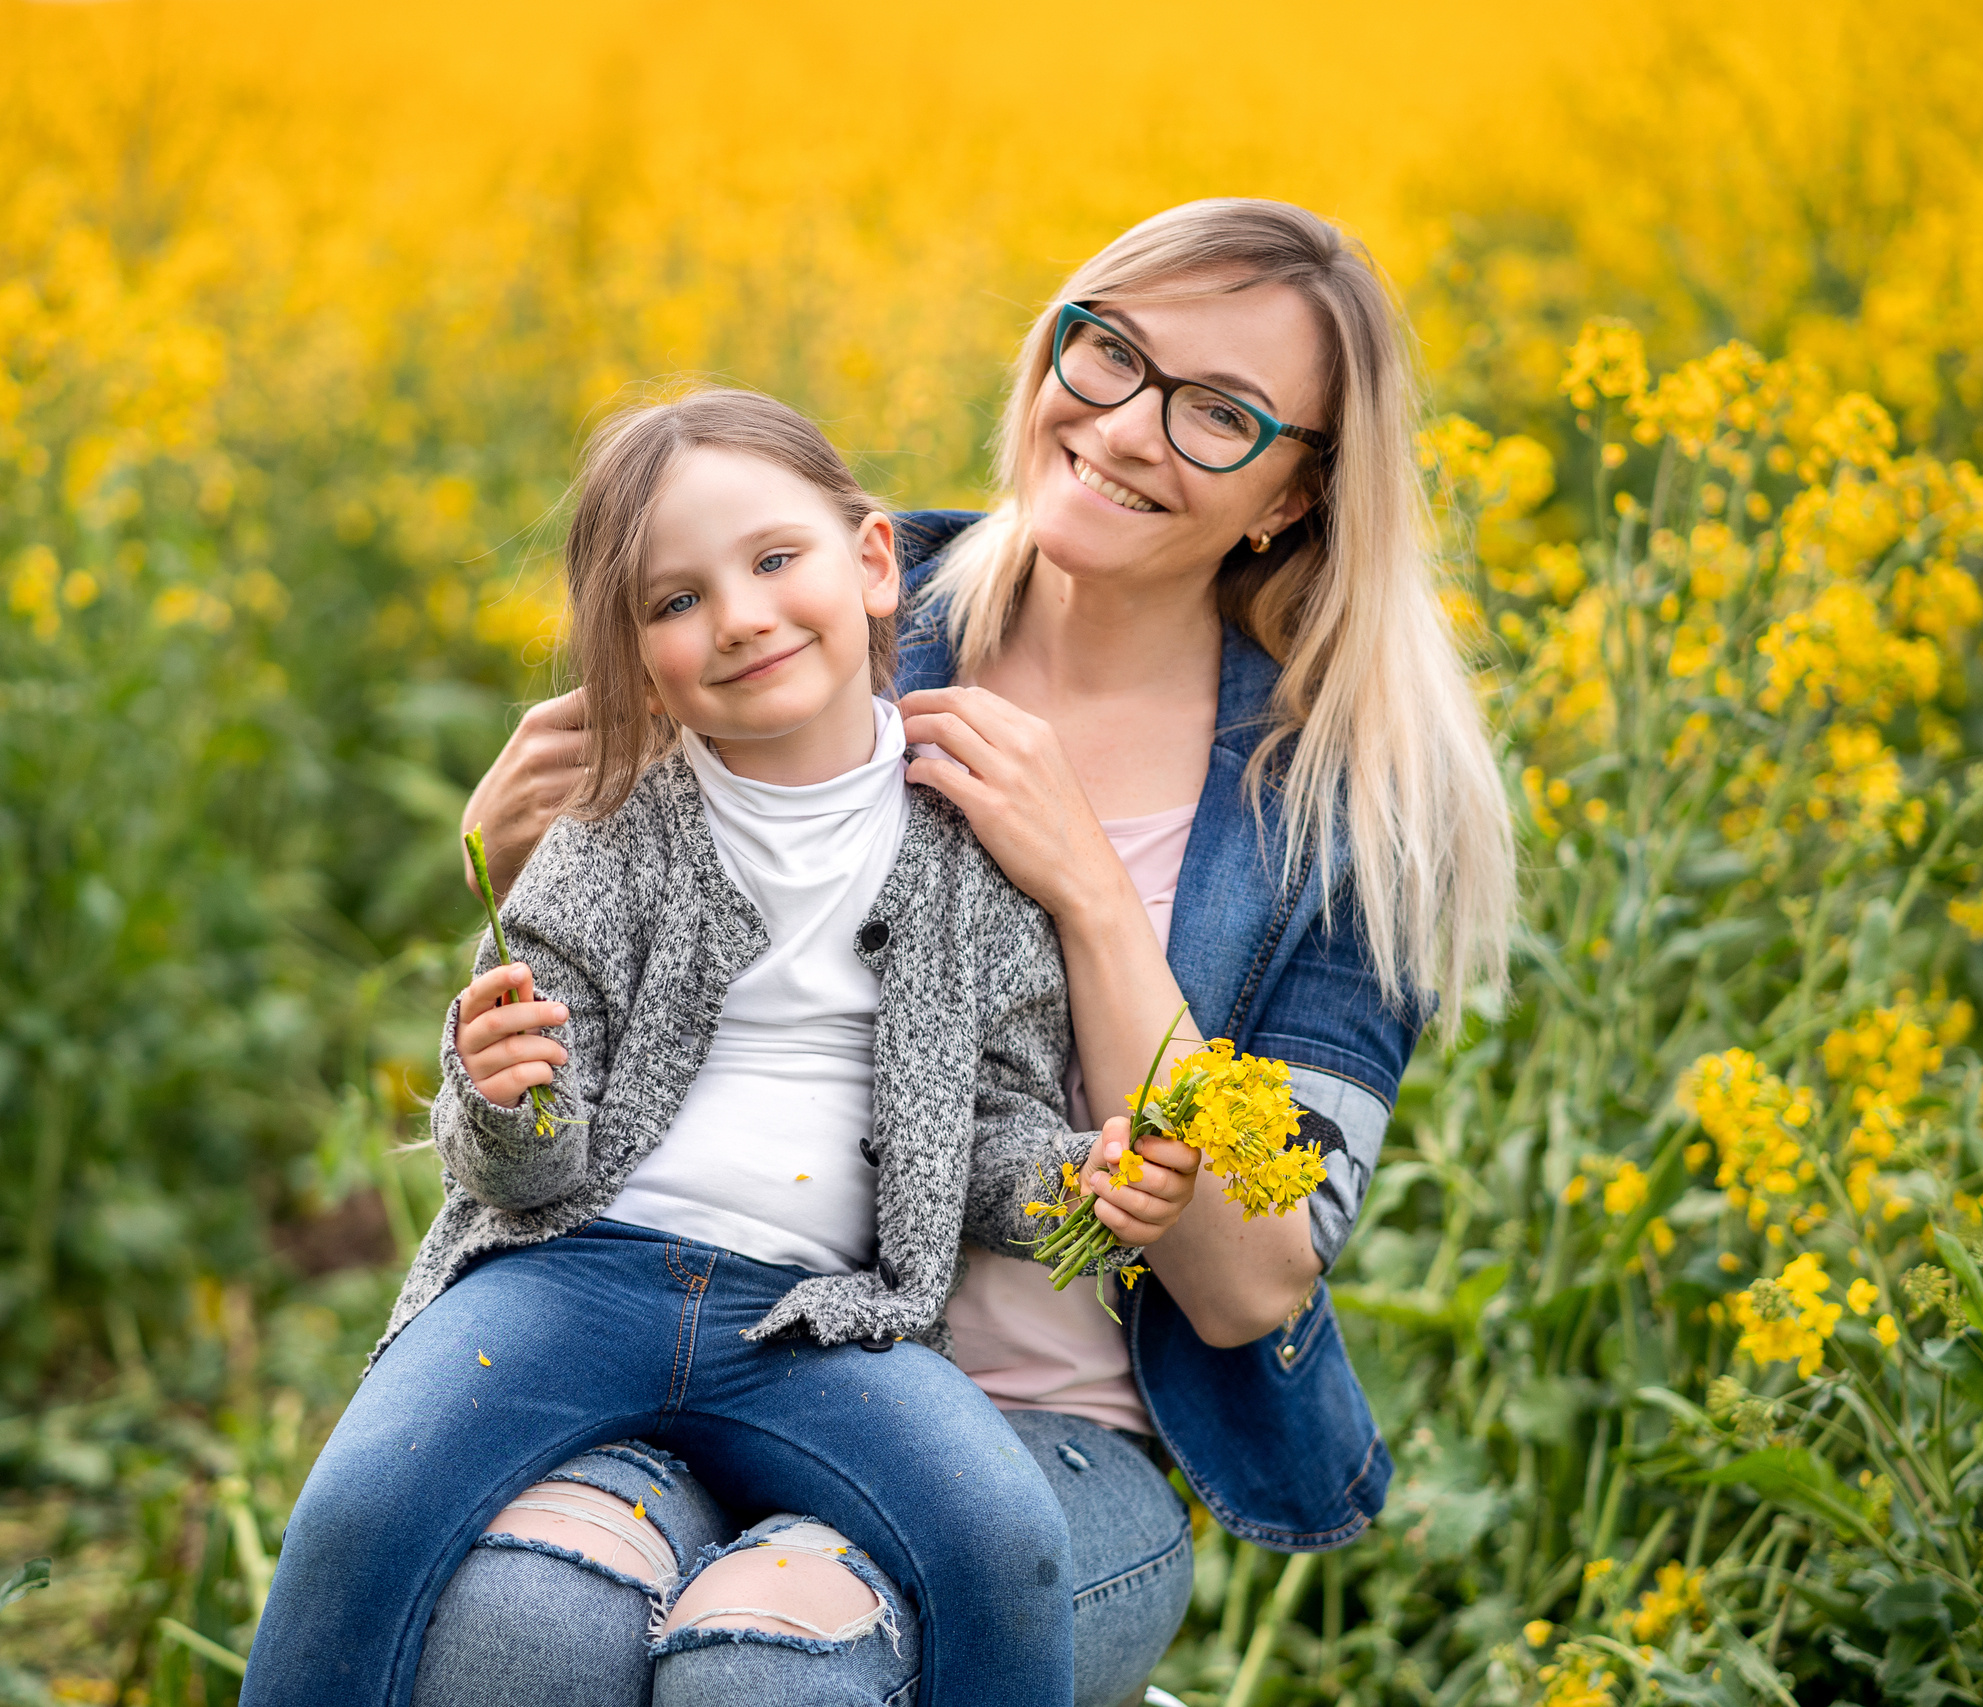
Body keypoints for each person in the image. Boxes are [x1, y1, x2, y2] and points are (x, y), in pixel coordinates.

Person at [458, 198, 1517, 1705]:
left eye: (1221, 414)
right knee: (521, 1622)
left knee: (767, 1678)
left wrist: (1090, 892)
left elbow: (1250, 1283)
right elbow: (619, 1026)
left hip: (1049, 1438)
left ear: (1295, 492)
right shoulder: (828, 606)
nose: (1129, 428)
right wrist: (518, 879)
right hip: (708, 1358)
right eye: (1113, 355)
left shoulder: (1341, 811)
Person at [245, 389, 1200, 1707]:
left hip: (820, 1323)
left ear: (873, 564)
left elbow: (986, 1129)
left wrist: (1079, 1184)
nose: (740, 616)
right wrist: (506, 1095)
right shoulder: (610, 832)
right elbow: (517, 1166)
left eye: (772, 561)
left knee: (1002, 1541)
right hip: (572, 1280)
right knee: (360, 1515)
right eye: (673, 601)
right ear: (633, 661)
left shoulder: (974, 850)